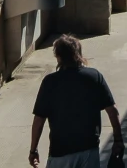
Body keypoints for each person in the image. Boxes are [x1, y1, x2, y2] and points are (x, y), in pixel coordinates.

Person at [30, 34, 121, 168]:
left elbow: (39, 120)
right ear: (78, 54)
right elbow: (112, 111)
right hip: (89, 150)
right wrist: (118, 140)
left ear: (58, 57)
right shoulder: (94, 77)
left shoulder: (50, 82)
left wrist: (33, 150)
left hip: (60, 153)